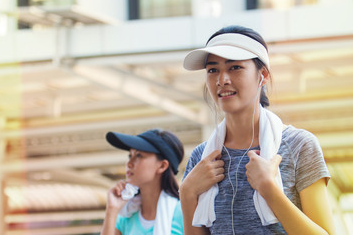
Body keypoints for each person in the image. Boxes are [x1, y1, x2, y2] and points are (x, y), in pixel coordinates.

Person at [179, 25, 335, 235]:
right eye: (212, 70)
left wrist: (269, 189)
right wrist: (187, 192)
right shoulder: (202, 157)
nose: (222, 80)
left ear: (263, 75)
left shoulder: (299, 145)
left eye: (235, 67)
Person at [100, 129, 184, 235]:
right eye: (130, 156)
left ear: (162, 166)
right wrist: (111, 209)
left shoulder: (184, 214)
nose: (129, 163)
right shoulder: (125, 216)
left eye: (139, 155)